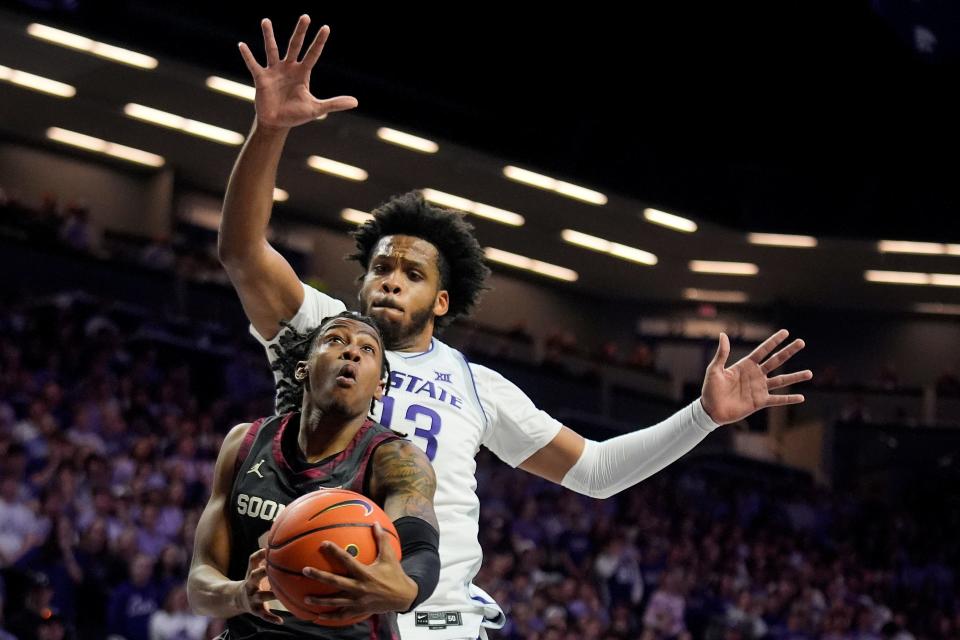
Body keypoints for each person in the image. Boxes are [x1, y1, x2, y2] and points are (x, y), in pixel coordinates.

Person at [219, 15, 813, 639]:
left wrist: (703, 416)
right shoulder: (321, 332)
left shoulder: (478, 387)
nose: (390, 280)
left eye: (411, 273)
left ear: (442, 301)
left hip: (432, 621)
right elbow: (241, 251)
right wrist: (268, 130)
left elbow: (598, 472)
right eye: (380, 268)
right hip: (313, 604)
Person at [187, 312, 440, 638]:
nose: (351, 352)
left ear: (380, 387)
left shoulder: (396, 460)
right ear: (302, 369)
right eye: (336, 340)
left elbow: (421, 550)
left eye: (367, 350)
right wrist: (239, 594)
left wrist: (405, 590)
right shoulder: (244, 443)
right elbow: (199, 585)